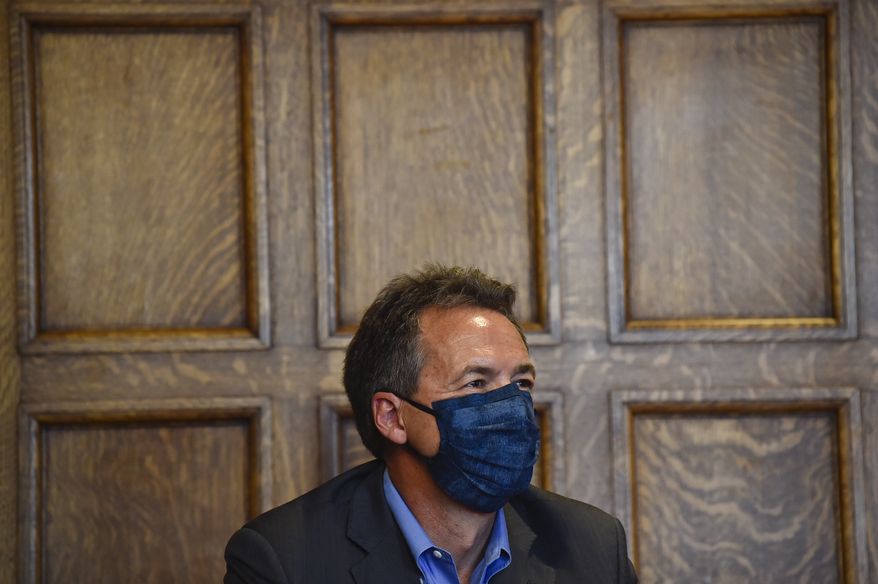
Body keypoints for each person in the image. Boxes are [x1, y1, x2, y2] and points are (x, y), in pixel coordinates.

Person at [224, 265, 638, 583]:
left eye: (521, 383)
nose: (511, 406)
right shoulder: (283, 561)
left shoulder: (593, 548)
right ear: (392, 416)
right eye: (476, 383)